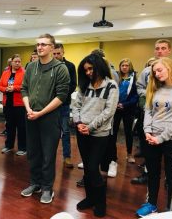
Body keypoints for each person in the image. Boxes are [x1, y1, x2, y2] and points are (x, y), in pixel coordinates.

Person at [20, 33, 69, 204]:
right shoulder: (31, 67)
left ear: (52, 47)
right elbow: (24, 89)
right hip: (30, 115)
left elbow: (61, 96)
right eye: (38, 44)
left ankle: (47, 188)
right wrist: (28, 109)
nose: (39, 47)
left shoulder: (60, 68)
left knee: (48, 155)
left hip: (50, 118)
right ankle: (35, 183)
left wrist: (40, 113)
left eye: (43, 44)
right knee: (33, 153)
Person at [135, 57, 172, 217]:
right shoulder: (155, 88)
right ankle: (151, 204)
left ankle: (170, 208)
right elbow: (148, 111)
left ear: (170, 68)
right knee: (152, 173)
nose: (156, 74)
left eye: (159, 70)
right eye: (154, 72)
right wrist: (147, 132)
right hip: (152, 137)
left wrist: (161, 138)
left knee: (171, 176)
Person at [131, 38, 172, 184]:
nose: (159, 51)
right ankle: (147, 174)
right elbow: (140, 87)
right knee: (150, 154)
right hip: (152, 114)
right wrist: (149, 96)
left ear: (169, 50)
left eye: (163, 48)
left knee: (171, 171)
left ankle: (170, 189)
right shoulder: (147, 71)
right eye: (157, 48)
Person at [73, 53, 118, 217]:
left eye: (90, 69)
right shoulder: (84, 85)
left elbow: (109, 112)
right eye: (85, 70)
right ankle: (90, 199)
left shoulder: (111, 85)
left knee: (93, 168)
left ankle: (101, 203)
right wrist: (78, 123)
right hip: (82, 131)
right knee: (87, 168)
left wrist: (90, 127)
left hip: (99, 134)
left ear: (99, 66)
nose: (88, 73)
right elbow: (76, 105)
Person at [106, 58, 138, 177]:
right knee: (113, 132)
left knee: (128, 132)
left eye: (126, 65)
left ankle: (129, 154)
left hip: (128, 109)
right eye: (122, 65)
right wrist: (116, 104)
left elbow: (135, 96)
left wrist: (124, 104)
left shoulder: (133, 79)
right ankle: (113, 156)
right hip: (115, 108)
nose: (124, 67)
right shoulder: (116, 77)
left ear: (130, 66)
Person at [53, 43, 77, 168]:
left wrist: (61, 96)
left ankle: (66, 156)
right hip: (50, 105)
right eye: (54, 53)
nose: (56, 56)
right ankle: (50, 156)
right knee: (51, 131)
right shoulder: (49, 66)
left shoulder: (70, 66)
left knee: (65, 131)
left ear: (63, 52)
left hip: (64, 103)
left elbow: (73, 85)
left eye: (59, 53)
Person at [0, 54, 26, 156]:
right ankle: (9, 145)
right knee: (9, 126)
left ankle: (23, 148)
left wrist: (14, 88)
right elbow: (0, 85)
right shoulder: (6, 73)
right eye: (16, 61)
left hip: (19, 104)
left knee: (21, 127)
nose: (17, 63)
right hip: (8, 103)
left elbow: (25, 86)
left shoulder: (24, 73)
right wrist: (5, 89)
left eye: (19, 61)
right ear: (12, 62)